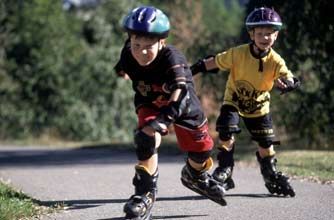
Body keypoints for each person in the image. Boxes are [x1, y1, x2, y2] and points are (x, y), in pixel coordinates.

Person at [114, 6, 226, 220]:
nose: (141, 52)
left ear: (161, 43)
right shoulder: (128, 52)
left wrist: (165, 118)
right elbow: (123, 66)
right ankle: (144, 192)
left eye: (149, 46)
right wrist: (123, 73)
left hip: (183, 105)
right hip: (149, 102)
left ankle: (194, 174)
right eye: (137, 45)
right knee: (145, 137)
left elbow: (180, 91)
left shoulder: (172, 57)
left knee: (202, 151)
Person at [191, 7, 299, 197]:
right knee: (226, 130)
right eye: (260, 33)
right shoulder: (238, 54)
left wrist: (289, 83)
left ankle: (270, 174)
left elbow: (287, 75)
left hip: (259, 108)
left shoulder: (276, 60)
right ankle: (225, 169)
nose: (265, 38)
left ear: (276, 36)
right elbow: (213, 62)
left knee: (266, 144)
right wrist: (190, 71)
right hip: (233, 100)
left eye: (269, 34)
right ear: (251, 34)